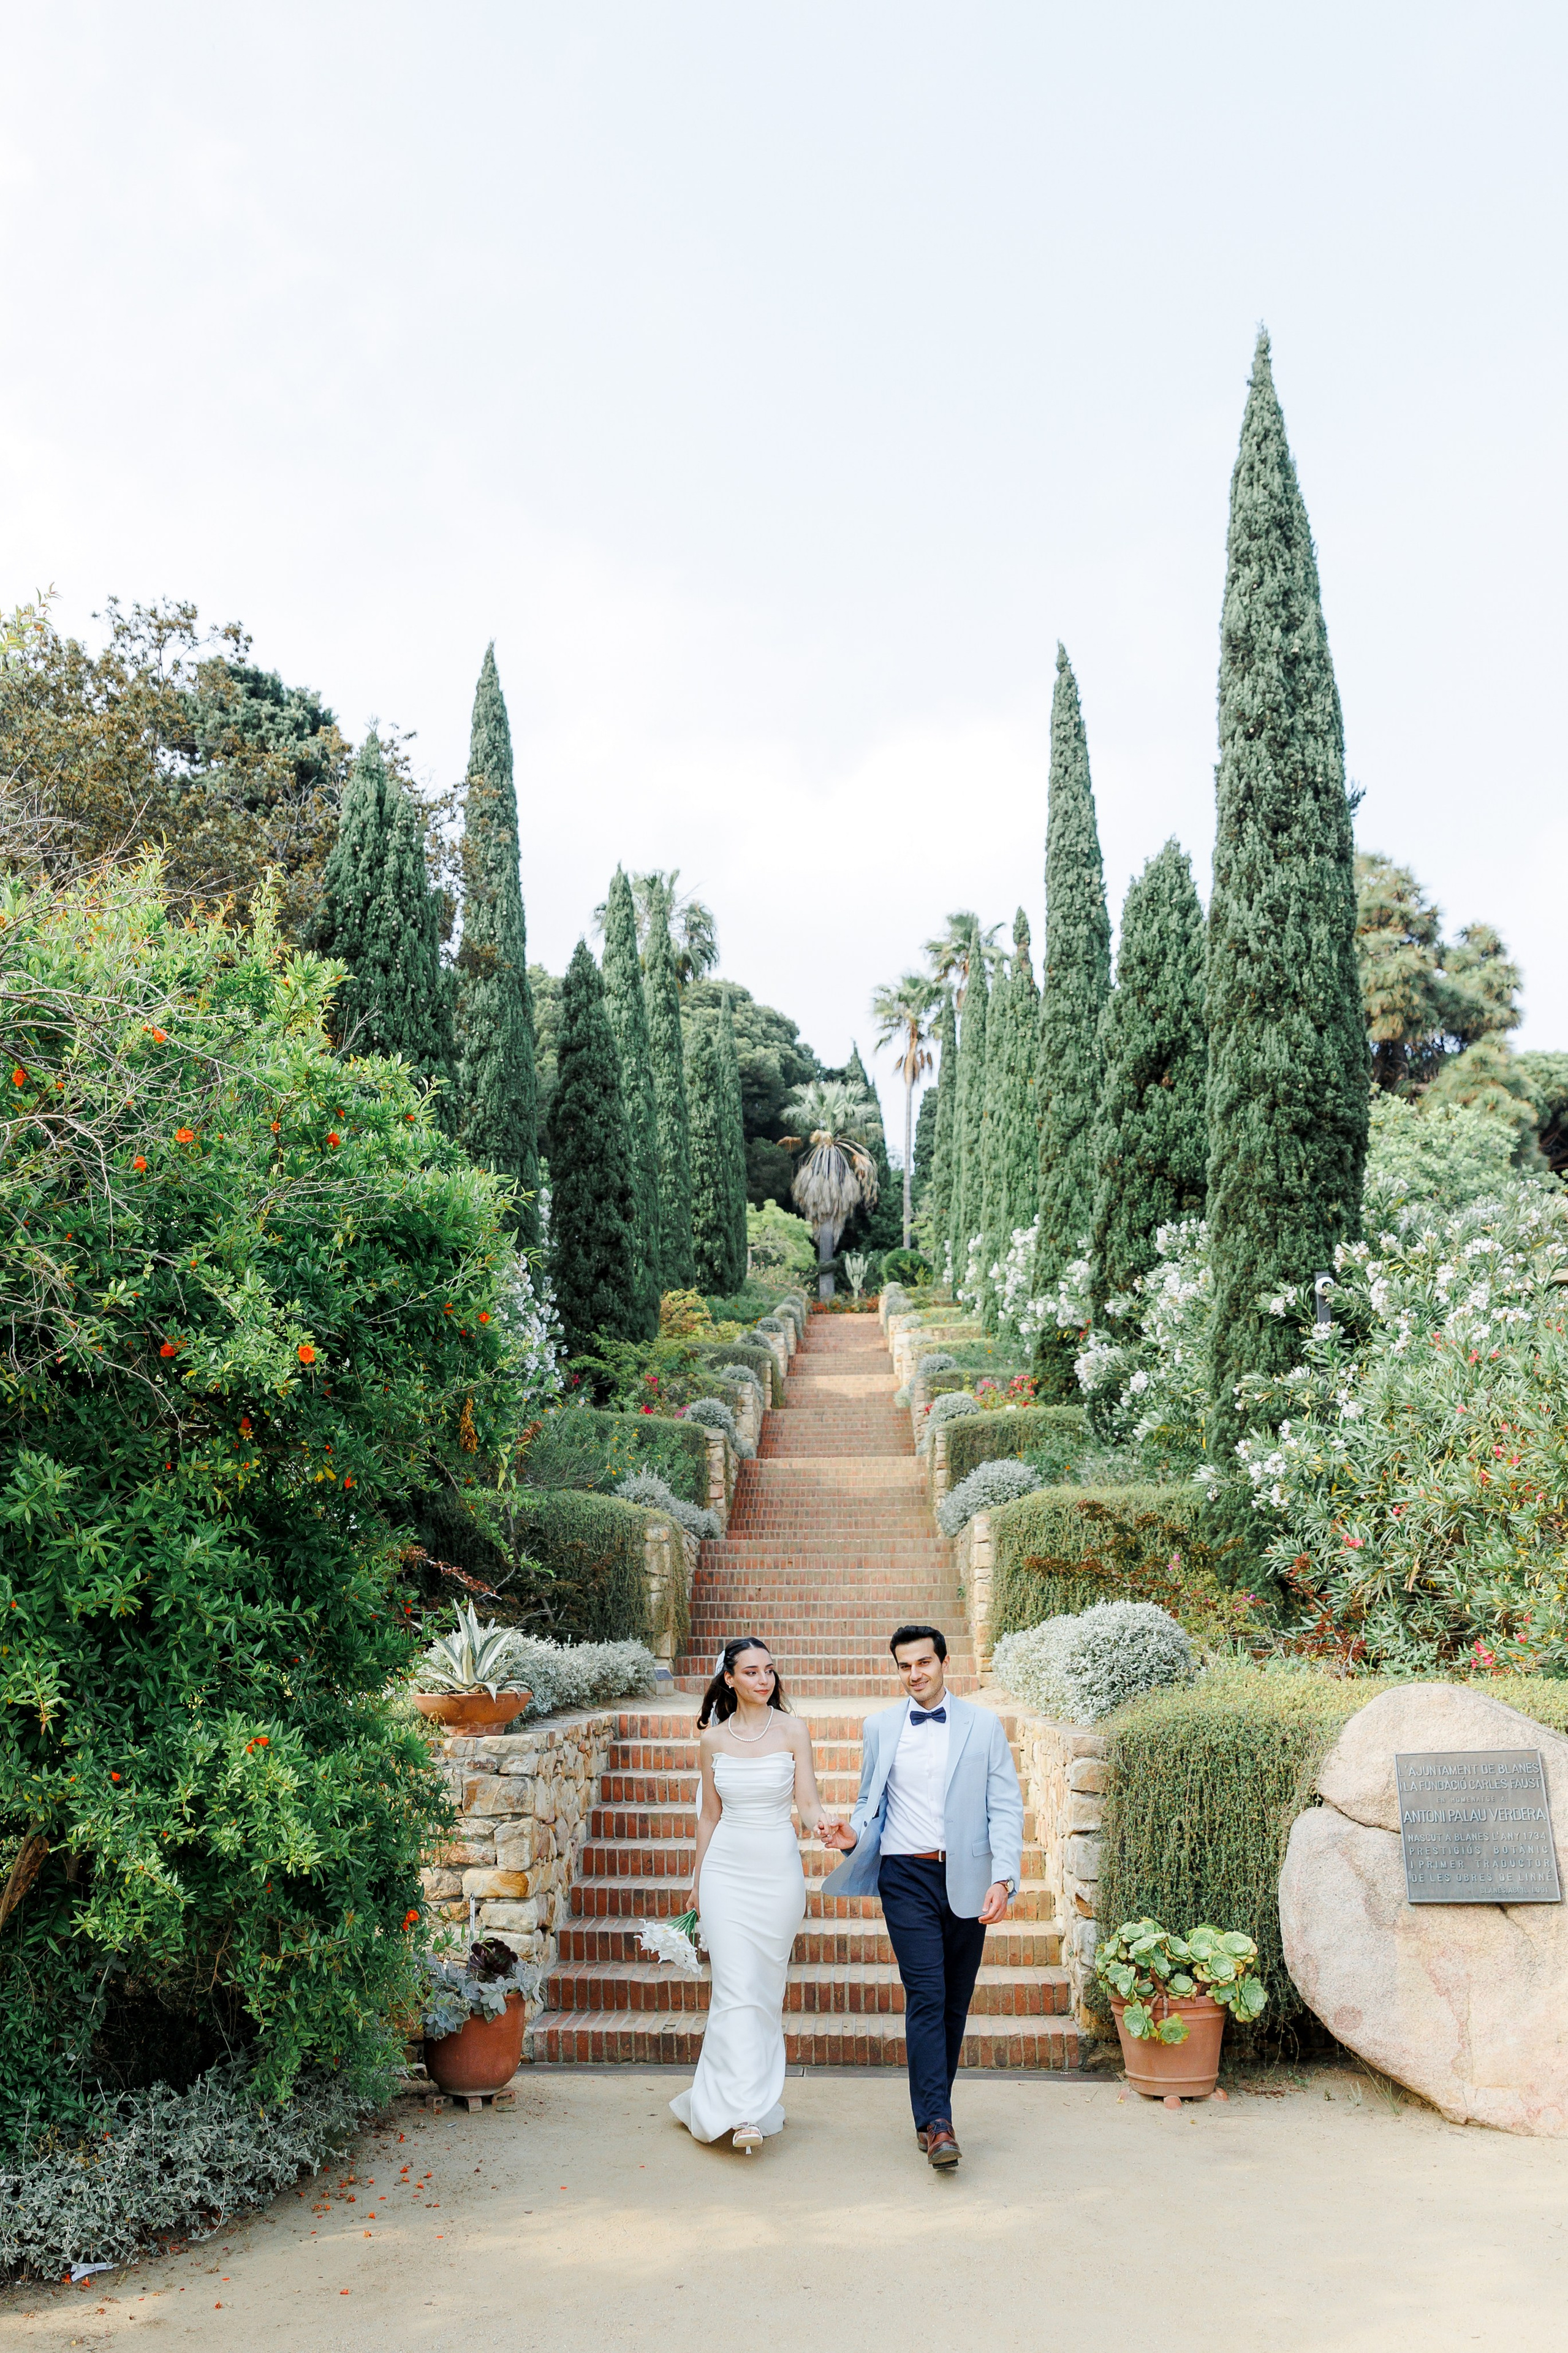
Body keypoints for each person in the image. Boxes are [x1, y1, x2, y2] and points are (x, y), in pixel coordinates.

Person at [819, 1622, 1023, 2169]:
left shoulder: (983, 1726)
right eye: (904, 1665)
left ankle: (930, 2111)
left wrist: (1003, 1878)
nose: (914, 1674)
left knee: (954, 2001)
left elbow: (1004, 1807)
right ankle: (938, 2123)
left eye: (922, 1663)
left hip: (967, 1877)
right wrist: (854, 1835)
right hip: (904, 1875)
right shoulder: (880, 1727)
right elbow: (869, 1800)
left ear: (942, 1663)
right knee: (927, 1994)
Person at [669, 1636, 833, 2153]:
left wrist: (825, 1824)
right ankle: (741, 2113)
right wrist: (697, 1879)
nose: (764, 1679)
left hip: (778, 1876)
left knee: (762, 1993)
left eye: (770, 1671)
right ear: (730, 1679)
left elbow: (807, 1803)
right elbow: (709, 1815)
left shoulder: (793, 1731)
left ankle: (737, 2097)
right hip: (725, 1874)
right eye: (752, 1671)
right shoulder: (712, 1741)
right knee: (734, 1988)